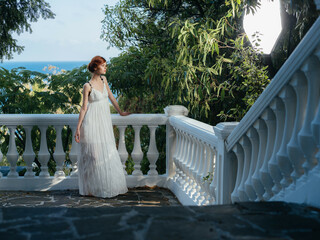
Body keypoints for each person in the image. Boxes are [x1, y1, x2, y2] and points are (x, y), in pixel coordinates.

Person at [74, 56, 129, 198]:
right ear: (95, 67)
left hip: (104, 123)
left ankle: (101, 187)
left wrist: (120, 112)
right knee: (93, 156)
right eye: (103, 65)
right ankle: (88, 188)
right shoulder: (88, 86)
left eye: (105, 65)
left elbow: (111, 96)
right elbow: (84, 108)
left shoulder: (104, 80)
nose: (105, 68)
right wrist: (78, 128)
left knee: (106, 154)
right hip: (91, 123)